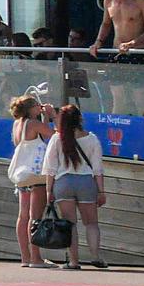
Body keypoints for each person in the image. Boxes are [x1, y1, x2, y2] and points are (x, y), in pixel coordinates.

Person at [42, 103, 106, 269]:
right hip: (86, 182)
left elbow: (50, 168)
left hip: (63, 183)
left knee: (69, 224)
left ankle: (73, 261)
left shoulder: (57, 139)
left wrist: (49, 191)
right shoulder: (92, 139)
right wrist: (101, 191)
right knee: (91, 223)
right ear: (80, 119)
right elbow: (98, 169)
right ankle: (96, 257)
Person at [6, 95, 57, 268]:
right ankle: (36, 258)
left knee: (23, 216)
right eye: (37, 105)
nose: (39, 107)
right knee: (35, 217)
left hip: (22, 174)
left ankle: (25, 257)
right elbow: (54, 137)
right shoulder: (34, 124)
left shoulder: (17, 124)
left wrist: (44, 117)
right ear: (30, 108)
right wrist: (51, 115)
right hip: (36, 174)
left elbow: (37, 138)